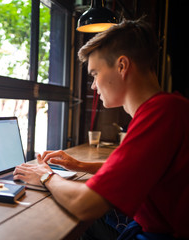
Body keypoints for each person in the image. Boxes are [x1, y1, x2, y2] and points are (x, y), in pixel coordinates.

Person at [13, 18, 189, 239]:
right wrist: (79, 164)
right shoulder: (169, 108)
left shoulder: (162, 113)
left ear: (122, 66)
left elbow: (85, 204)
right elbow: (136, 169)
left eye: (95, 74)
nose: (94, 86)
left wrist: (45, 176)